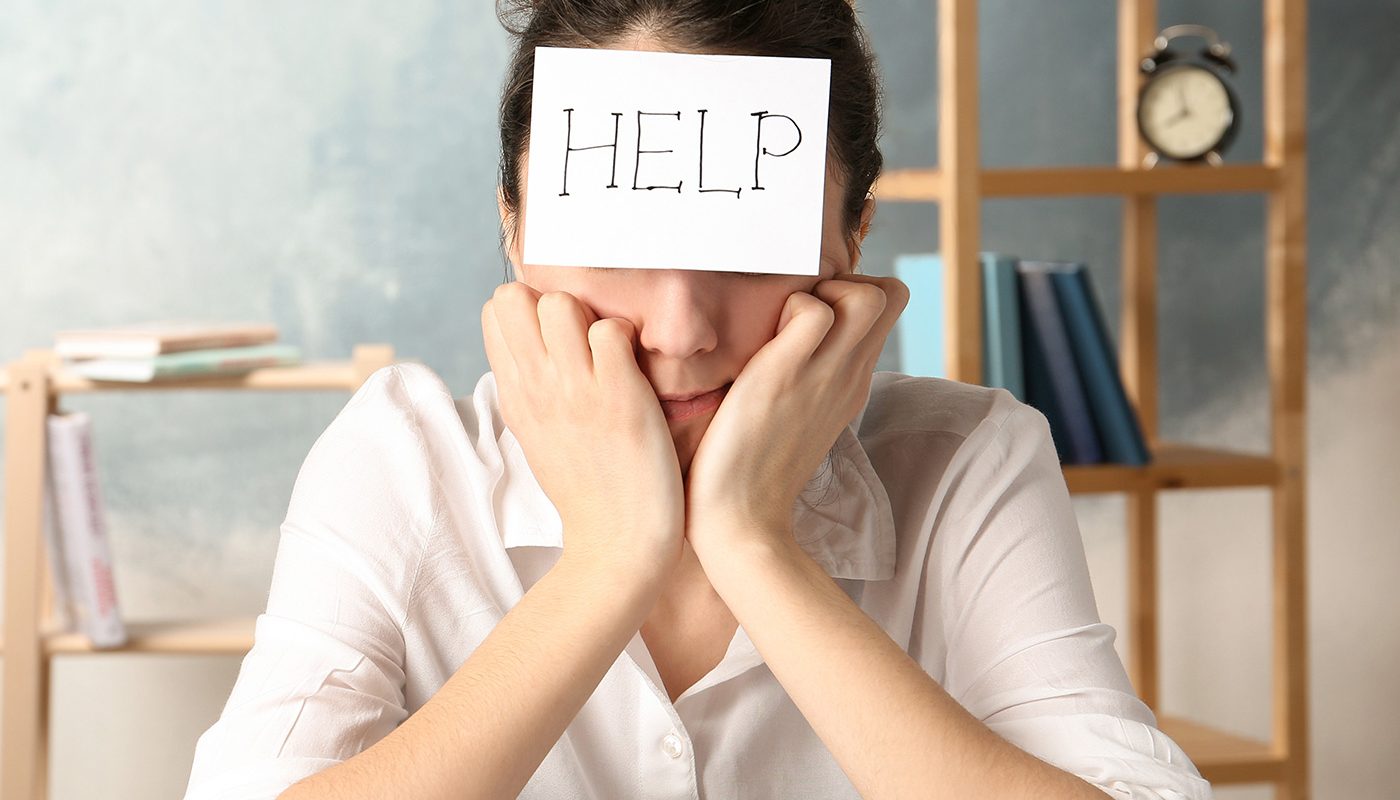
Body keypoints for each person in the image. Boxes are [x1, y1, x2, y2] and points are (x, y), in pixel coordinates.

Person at [183, 2, 1214, 798]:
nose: (681, 330)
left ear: (849, 237)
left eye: (747, 251)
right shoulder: (402, 461)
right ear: (514, 226)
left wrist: (751, 542)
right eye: (618, 251)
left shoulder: (963, 461)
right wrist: (606, 562)